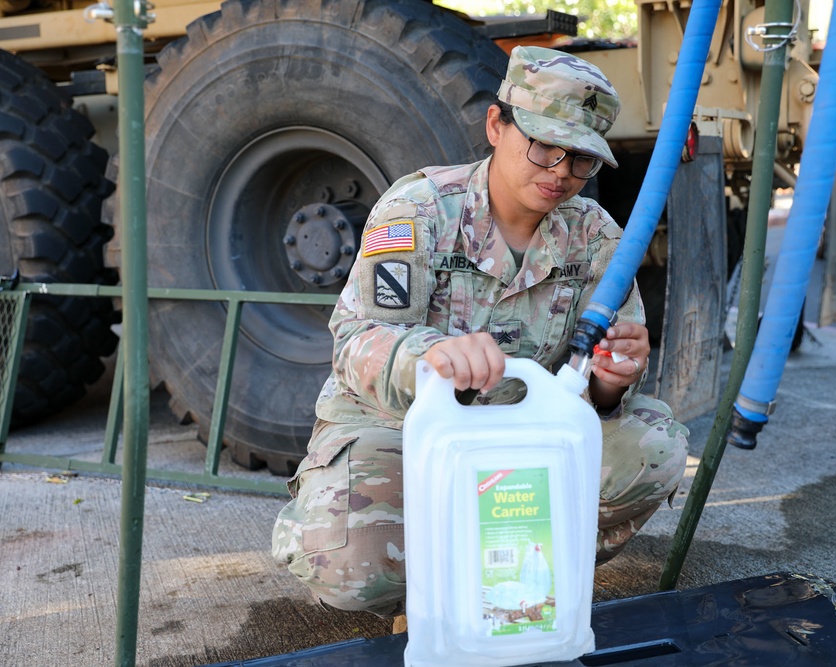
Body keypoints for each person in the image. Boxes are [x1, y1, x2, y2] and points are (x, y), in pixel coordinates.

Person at [271, 45, 689, 619]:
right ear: (496, 125)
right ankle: (436, 586)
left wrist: (614, 381)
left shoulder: (594, 235)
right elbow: (356, 341)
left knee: (654, 449)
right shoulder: (419, 210)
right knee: (350, 568)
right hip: (405, 429)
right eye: (543, 147)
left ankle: (498, 581)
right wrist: (434, 355)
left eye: (580, 160)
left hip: (526, 428)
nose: (561, 172)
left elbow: (599, 377)